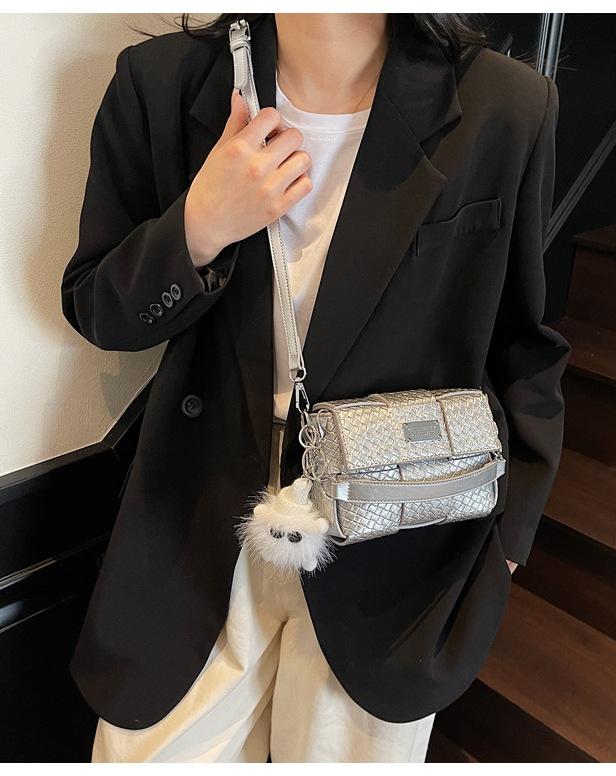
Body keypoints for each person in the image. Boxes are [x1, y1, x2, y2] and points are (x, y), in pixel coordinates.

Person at [60, 11, 569, 763]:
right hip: (197, 527)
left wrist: (509, 539)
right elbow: (99, 306)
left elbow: (523, 343)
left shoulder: (505, 105)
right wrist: (199, 226)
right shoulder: (162, 84)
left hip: (397, 547)